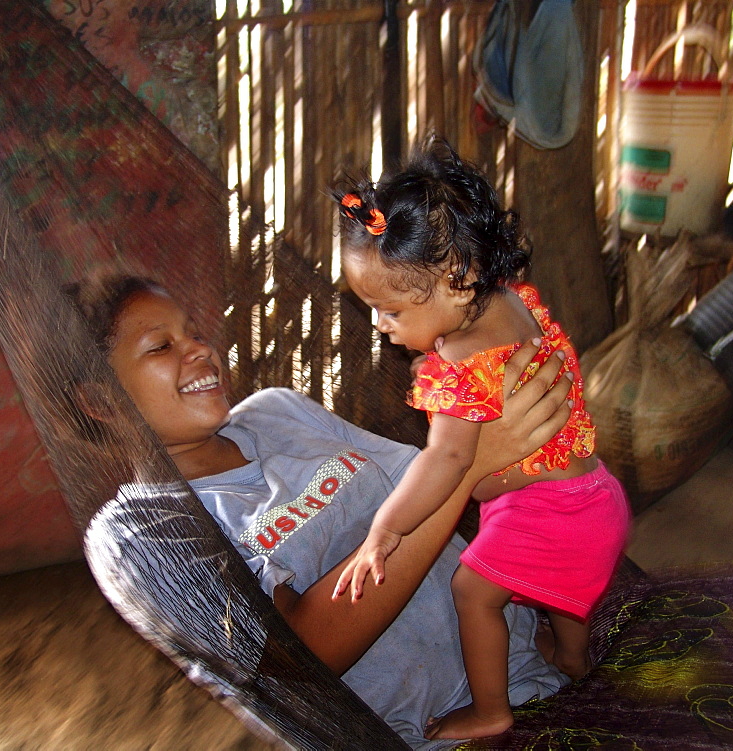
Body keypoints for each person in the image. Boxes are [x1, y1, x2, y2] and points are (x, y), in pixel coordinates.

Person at [68, 273, 575, 747]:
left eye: (194, 333)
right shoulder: (140, 534)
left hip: (529, 659)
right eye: (162, 346)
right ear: (100, 401)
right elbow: (304, 657)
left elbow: (432, 490)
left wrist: (495, 411)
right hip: (437, 733)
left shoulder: (278, 412)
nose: (200, 349)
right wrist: (468, 461)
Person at [329, 139, 630, 740]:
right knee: (561, 591)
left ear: (458, 281)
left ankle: (491, 708)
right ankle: (573, 656)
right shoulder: (518, 301)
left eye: (389, 310)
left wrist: (384, 531)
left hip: (550, 514)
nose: (379, 326)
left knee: (472, 590)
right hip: (597, 497)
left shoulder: (457, 369)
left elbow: (446, 461)